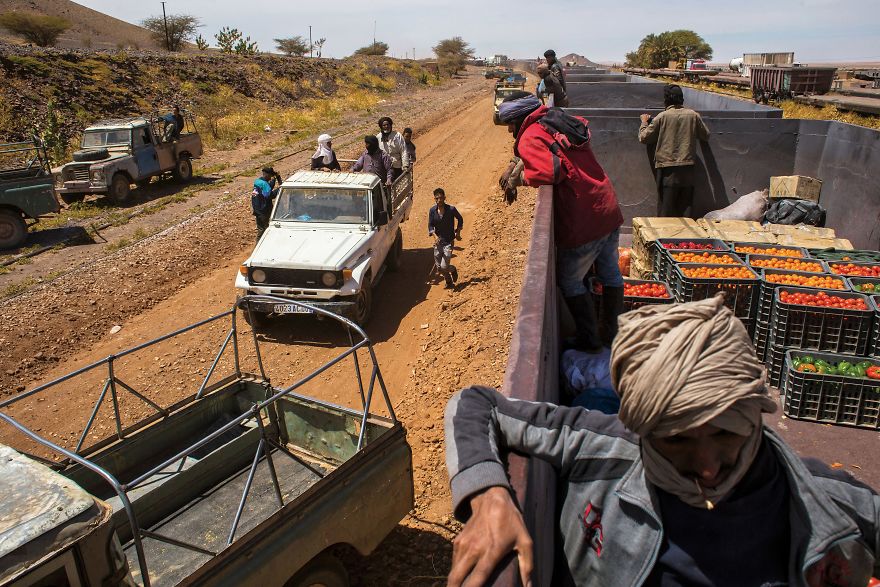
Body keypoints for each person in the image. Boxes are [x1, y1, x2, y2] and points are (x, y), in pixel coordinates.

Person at [445, 295, 880, 587]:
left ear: (753, 413)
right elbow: (475, 404)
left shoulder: (831, 503)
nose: (707, 466)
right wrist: (489, 495)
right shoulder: (606, 448)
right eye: (676, 441)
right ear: (645, 430)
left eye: (725, 433)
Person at [498, 92, 624, 352]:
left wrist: (517, 179)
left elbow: (549, 171)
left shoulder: (531, 135)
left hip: (583, 217)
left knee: (569, 281)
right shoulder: (556, 119)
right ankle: (611, 335)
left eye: (511, 122)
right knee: (610, 272)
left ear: (520, 117)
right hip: (606, 205)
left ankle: (589, 341)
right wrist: (517, 162)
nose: (510, 128)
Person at [638, 84, 711, 217]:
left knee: (666, 209)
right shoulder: (693, 115)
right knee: (686, 209)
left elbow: (644, 138)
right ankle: (684, 236)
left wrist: (644, 122)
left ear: (666, 100)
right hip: (688, 168)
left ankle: (664, 237)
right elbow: (705, 135)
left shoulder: (662, 117)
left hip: (667, 170)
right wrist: (695, 121)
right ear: (682, 99)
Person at [428, 188, 463, 289]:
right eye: (437, 198)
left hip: (448, 242)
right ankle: (449, 282)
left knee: (444, 267)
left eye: (441, 198)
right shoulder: (432, 211)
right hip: (438, 243)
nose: (439, 200)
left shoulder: (451, 210)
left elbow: (460, 219)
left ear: (444, 198)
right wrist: (435, 236)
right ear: (434, 199)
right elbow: (430, 226)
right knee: (439, 268)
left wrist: (458, 232)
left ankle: (453, 270)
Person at [251, 166, 281, 242]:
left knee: (260, 229)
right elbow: (270, 195)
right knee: (266, 229)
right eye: (270, 175)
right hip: (264, 210)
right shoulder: (265, 184)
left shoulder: (257, 181)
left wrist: (274, 179)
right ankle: (263, 245)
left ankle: (257, 246)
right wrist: (280, 188)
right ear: (266, 174)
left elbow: (268, 188)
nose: (270, 177)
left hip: (257, 209)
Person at [376, 117, 410, 181]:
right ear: (381, 127)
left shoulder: (397, 136)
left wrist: (405, 165)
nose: (386, 126)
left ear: (391, 125)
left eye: (388, 124)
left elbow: (403, 151)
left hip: (396, 165)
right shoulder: (378, 137)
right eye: (384, 125)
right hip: (384, 167)